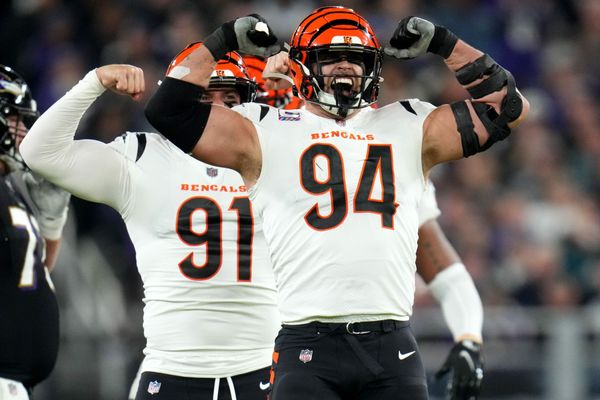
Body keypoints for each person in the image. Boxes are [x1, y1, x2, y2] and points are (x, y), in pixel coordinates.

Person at [143, 6, 528, 399]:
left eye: (355, 59)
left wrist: (445, 43)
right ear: (304, 65)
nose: (345, 67)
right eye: (331, 58)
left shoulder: (410, 123)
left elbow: (509, 107)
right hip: (307, 345)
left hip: (391, 342)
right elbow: (167, 110)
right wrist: (222, 40)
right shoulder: (264, 129)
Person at [20, 48, 281, 400]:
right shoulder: (143, 155)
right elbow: (39, 152)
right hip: (173, 370)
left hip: (263, 366)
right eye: (204, 96)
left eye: (231, 98)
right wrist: (93, 83)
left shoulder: (275, 157)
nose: (218, 109)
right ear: (179, 101)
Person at [0, 65, 70, 399]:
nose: (26, 132)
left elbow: (28, 275)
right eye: (17, 119)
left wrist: (51, 222)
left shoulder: (8, 188)